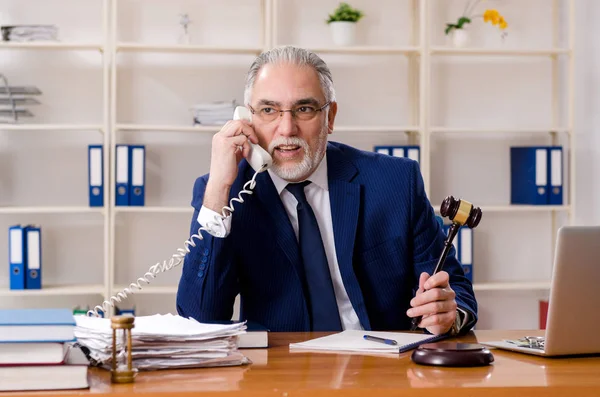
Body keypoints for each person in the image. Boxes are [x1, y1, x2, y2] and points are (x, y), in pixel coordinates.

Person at [176, 46, 477, 335]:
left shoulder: (397, 181)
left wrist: (449, 315)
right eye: (268, 110)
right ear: (247, 119)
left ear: (330, 117)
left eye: (304, 109)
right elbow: (198, 317)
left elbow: (456, 290)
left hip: (383, 367)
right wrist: (219, 189)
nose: (287, 129)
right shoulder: (226, 193)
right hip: (279, 375)